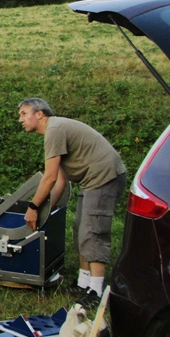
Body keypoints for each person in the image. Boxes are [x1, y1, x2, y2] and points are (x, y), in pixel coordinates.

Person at [18, 97, 126, 307]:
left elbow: (48, 178)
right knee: (80, 228)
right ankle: (83, 282)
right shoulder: (54, 130)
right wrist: (48, 208)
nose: (20, 119)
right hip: (91, 179)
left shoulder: (54, 130)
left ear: (39, 114)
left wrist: (33, 208)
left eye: (24, 113)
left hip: (104, 176)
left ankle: (96, 291)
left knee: (92, 230)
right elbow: (60, 181)